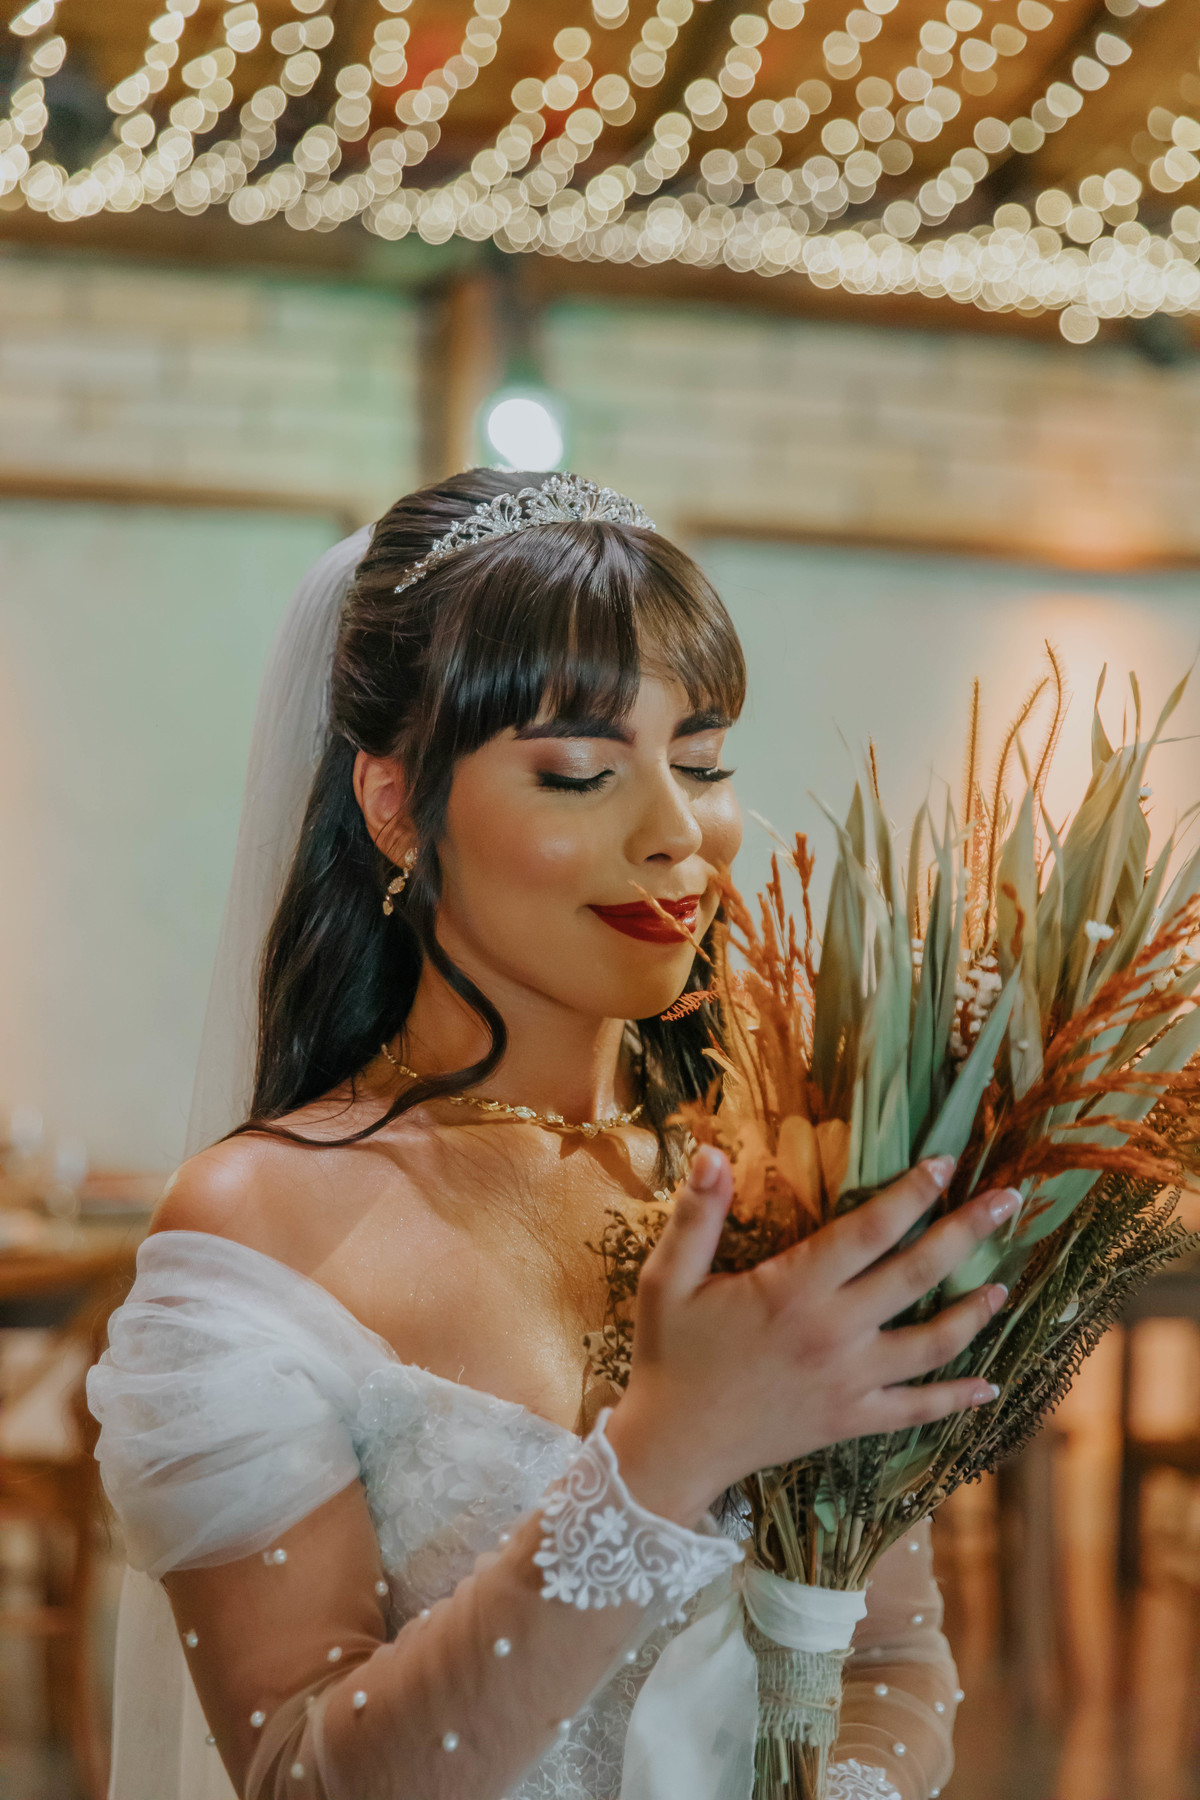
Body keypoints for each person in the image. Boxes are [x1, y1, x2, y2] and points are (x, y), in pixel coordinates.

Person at [88, 470, 1015, 1800]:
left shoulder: (776, 1173)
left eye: (702, 762)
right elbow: (301, 1776)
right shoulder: (263, 1223)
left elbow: (893, 1654)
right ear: (395, 804)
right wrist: (666, 1453)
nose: (678, 834)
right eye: (580, 772)